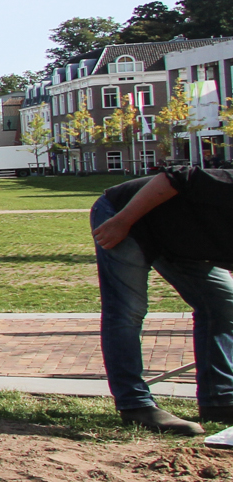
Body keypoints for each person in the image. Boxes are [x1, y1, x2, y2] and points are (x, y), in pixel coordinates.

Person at [90, 169, 233, 434]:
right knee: (128, 311)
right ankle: (135, 405)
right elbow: (176, 177)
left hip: (182, 242)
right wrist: (122, 220)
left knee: (222, 304)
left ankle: (220, 401)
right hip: (126, 216)